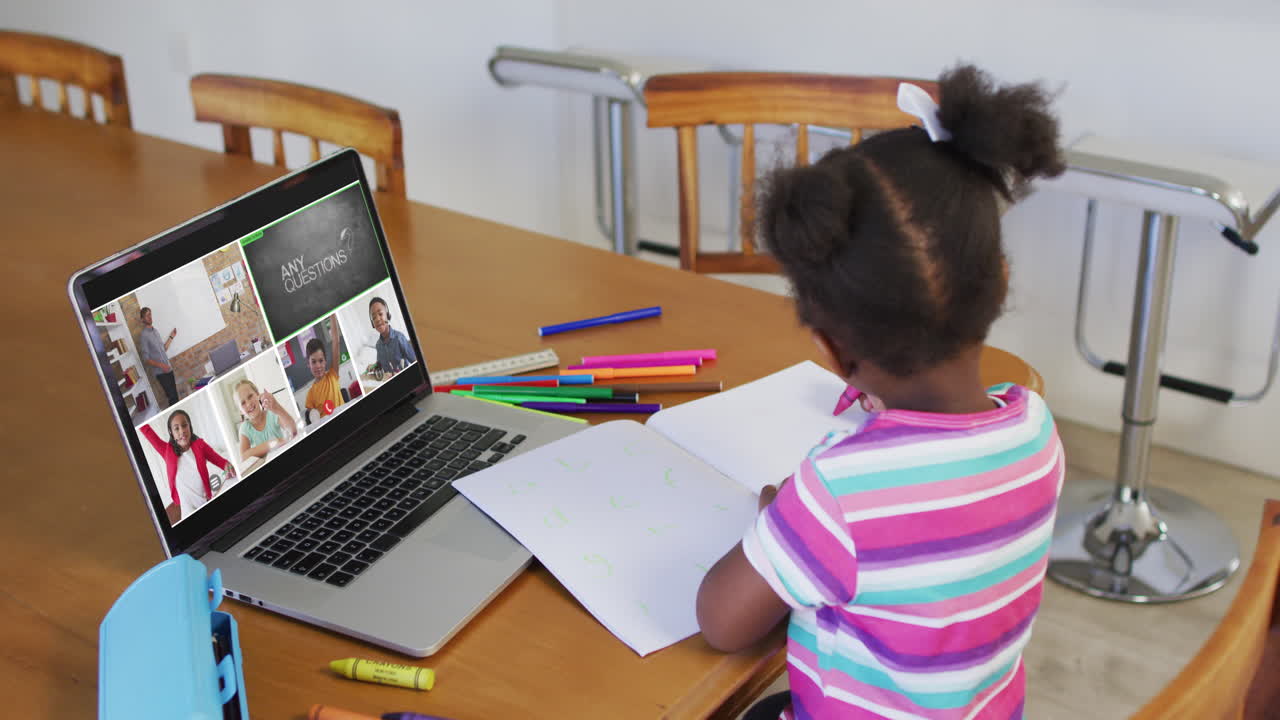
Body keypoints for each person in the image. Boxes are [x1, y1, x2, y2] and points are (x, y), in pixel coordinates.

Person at [696, 65, 1068, 720]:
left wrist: (782, 525)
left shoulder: (839, 494)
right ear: (1000, 280)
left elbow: (721, 622)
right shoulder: (1037, 429)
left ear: (831, 347)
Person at [139, 408, 235, 521]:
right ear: (171, 433)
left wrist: (227, 466)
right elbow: (146, 430)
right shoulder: (167, 451)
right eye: (176, 428)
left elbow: (220, 461)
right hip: (187, 510)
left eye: (184, 425)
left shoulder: (200, 445)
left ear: (190, 427)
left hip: (206, 501)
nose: (182, 431)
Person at [235, 379, 298, 463]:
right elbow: (244, 457)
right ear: (240, 411)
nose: (248, 403)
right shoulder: (245, 428)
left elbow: (293, 431)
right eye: (243, 403)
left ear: (258, 394)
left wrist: (277, 407)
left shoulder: (272, 414)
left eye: (250, 396)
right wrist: (273, 443)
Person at [304, 317, 346, 419]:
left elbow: (336, 342)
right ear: (308, 364)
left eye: (321, 360)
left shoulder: (333, 374)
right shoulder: (310, 395)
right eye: (313, 362)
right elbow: (313, 419)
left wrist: (332, 314)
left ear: (325, 361)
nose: (318, 366)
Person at [138, 306, 179, 406]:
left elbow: (163, 349)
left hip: (168, 369)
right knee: (172, 397)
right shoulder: (144, 335)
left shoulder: (155, 331)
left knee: (175, 396)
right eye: (147, 315)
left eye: (150, 314)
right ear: (142, 319)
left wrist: (171, 337)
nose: (150, 317)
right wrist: (162, 366)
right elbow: (146, 359)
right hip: (161, 373)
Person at [368, 296, 413, 375]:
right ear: (372, 324)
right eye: (374, 317)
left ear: (387, 315)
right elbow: (380, 363)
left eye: (380, 314)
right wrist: (374, 366)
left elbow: (415, 360)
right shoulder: (378, 345)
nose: (377, 319)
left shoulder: (399, 338)